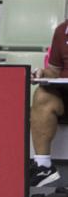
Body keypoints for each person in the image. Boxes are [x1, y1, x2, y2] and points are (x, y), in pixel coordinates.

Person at [30, 20, 68, 187]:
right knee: (42, 95)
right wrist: (43, 73)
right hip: (65, 94)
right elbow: (54, 70)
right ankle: (43, 166)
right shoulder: (62, 31)